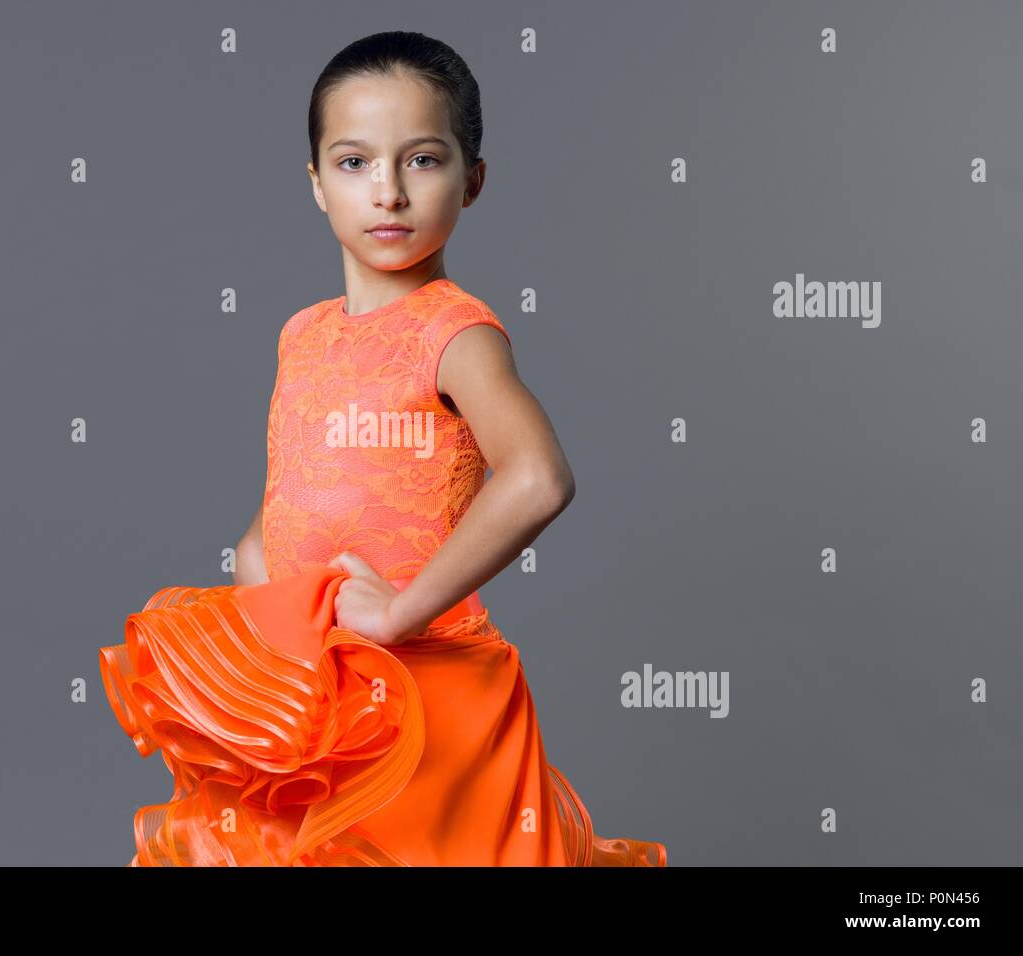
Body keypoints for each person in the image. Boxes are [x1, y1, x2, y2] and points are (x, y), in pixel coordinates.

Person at [100, 30, 668, 867]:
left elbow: (539, 476)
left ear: (473, 181)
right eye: (356, 162)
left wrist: (401, 612)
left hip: (428, 693)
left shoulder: (454, 331)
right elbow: (283, 506)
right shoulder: (302, 335)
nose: (390, 193)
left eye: (424, 160)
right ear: (317, 185)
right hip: (325, 695)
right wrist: (273, 622)